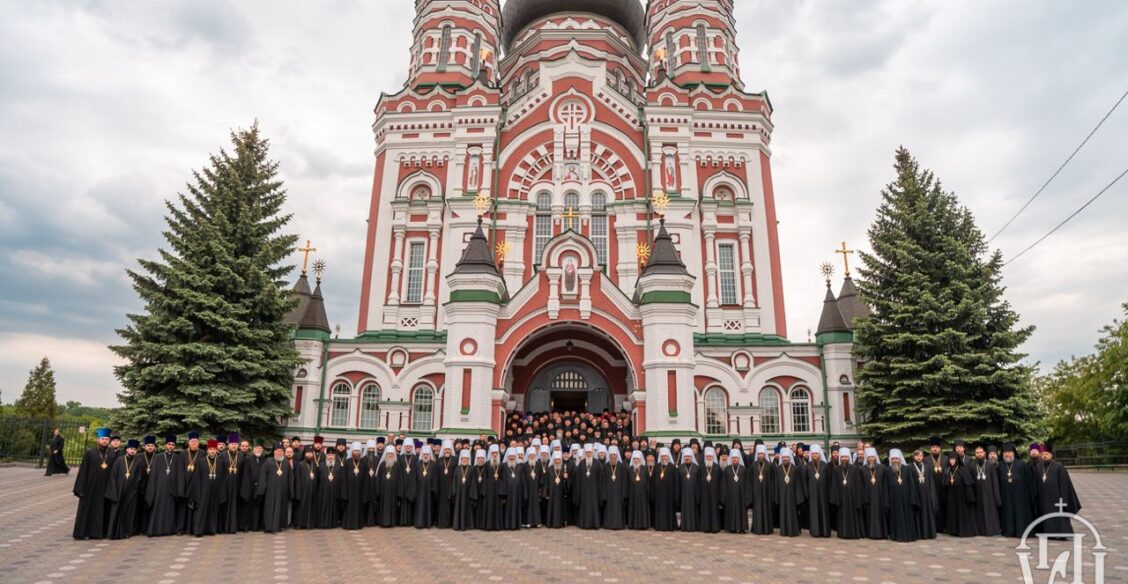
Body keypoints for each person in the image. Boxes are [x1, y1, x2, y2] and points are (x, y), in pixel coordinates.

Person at [73, 428, 115, 539]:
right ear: (98, 439)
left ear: (109, 440)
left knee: (104, 510)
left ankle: (102, 533)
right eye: (102, 439)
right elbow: (83, 470)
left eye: (106, 439)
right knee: (89, 510)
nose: (104, 441)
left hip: (106, 487)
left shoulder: (112, 453)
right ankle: (85, 533)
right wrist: (80, 488)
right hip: (91, 487)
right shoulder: (90, 453)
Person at [1034, 444, 1082, 535]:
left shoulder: (1058, 466)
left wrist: (1063, 498)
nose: (1044, 456)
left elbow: (1064, 484)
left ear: (1051, 455)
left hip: (1056, 497)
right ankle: (1047, 532)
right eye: (1043, 454)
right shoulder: (1038, 467)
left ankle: (1060, 533)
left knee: (1058, 516)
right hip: (1043, 497)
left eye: (1046, 454)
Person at [105, 439, 145, 539]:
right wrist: (114, 491)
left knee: (129, 513)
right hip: (119, 491)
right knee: (116, 512)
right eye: (131, 449)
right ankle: (113, 532)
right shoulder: (119, 461)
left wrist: (135, 490)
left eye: (134, 449)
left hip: (132, 492)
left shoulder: (139, 462)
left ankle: (127, 532)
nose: (132, 451)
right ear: (127, 449)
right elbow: (113, 476)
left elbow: (140, 478)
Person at [145, 435, 182, 537]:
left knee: (170, 510)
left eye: (173, 444)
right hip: (159, 489)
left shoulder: (177, 458)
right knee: (158, 510)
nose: (171, 446)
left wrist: (179, 489)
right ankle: (156, 530)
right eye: (169, 444)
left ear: (174, 446)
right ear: (165, 445)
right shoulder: (158, 457)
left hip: (172, 489)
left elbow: (180, 475)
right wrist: (152, 489)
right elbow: (153, 475)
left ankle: (169, 530)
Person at [997, 442, 1036, 538]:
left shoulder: (1022, 464)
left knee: (1020, 513)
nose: (1007, 454)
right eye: (1005, 452)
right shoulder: (999, 466)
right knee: (1008, 513)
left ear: (1013, 453)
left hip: (1021, 496)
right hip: (1005, 496)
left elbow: (1029, 481)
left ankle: (1021, 531)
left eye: (1009, 452)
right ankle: (1009, 531)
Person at [189, 439, 226, 536]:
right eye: (210, 449)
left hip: (215, 490)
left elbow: (223, 478)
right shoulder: (201, 461)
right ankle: (198, 531)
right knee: (201, 510)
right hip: (203, 491)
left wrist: (222, 492)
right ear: (207, 450)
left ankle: (211, 529)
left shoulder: (220, 462)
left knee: (213, 510)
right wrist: (197, 493)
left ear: (216, 450)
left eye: (214, 449)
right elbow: (196, 478)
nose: (212, 451)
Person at [830, 447, 866, 539]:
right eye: (842, 457)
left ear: (848, 457)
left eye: (846, 457)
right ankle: (843, 533)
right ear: (840, 458)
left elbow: (858, 485)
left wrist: (858, 499)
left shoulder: (854, 469)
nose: (844, 459)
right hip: (841, 499)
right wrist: (836, 499)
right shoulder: (837, 470)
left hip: (852, 498)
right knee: (842, 515)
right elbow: (834, 485)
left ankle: (853, 533)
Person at [257, 442, 294, 533]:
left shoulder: (286, 462)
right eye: (278, 451)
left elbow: (290, 478)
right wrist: (262, 490)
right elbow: (262, 476)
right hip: (270, 491)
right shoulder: (268, 461)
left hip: (283, 491)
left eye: (281, 451)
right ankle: (268, 527)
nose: (280, 453)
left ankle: (278, 526)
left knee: (281, 509)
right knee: (269, 509)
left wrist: (291, 491)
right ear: (274, 452)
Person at [885, 449, 918, 542]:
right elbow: (885, 487)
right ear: (890, 460)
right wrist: (886, 502)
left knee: (907, 517)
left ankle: (909, 536)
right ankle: (896, 536)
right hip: (893, 500)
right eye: (893, 459)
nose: (895, 460)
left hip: (906, 499)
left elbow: (912, 485)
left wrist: (913, 499)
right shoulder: (887, 470)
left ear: (900, 459)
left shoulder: (906, 469)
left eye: (896, 458)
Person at [942, 451, 977, 537]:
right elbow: (944, 483)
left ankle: (962, 531)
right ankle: (954, 530)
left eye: (953, 459)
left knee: (962, 513)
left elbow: (968, 484)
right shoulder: (947, 470)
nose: (952, 461)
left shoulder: (963, 469)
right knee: (953, 512)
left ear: (957, 460)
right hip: (951, 496)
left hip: (962, 496)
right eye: (950, 459)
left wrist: (969, 497)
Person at [970, 445, 1002, 536]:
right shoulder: (972, 466)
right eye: (977, 453)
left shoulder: (990, 465)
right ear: (975, 454)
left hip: (989, 494)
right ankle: (980, 531)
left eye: (981, 452)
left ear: (984, 453)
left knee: (990, 512)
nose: (979, 454)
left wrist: (996, 497)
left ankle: (991, 530)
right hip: (977, 494)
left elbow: (995, 481)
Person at [719, 445, 751, 533]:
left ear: (739, 459)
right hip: (730, 496)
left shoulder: (743, 469)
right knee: (731, 511)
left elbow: (747, 484)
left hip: (741, 496)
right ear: (731, 459)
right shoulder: (727, 469)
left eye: (736, 458)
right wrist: (723, 497)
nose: (734, 460)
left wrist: (747, 497)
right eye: (733, 458)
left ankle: (742, 527)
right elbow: (724, 484)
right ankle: (731, 527)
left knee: (741, 511)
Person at [774, 447, 805, 537]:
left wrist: (798, 497)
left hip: (792, 496)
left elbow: (798, 484)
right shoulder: (778, 469)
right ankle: (784, 531)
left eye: (787, 457)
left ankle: (794, 530)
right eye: (783, 457)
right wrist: (777, 497)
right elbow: (776, 484)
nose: (785, 459)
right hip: (782, 496)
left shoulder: (795, 469)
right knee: (783, 513)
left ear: (790, 458)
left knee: (793, 513)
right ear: (781, 458)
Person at [909, 449, 939, 539]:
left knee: (927, 513)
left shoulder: (927, 466)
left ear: (923, 457)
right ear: (913, 457)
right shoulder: (910, 467)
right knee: (918, 514)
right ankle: (919, 534)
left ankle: (928, 533)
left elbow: (931, 481)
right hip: (916, 494)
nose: (919, 457)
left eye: (920, 456)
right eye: (917, 456)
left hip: (927, 496)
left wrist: (932, 494)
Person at [805, 444, 833, 538]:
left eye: (817, 453)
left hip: (823, 494)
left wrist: (829, 494)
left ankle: (825, 531)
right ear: (811, 455)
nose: (815, 455)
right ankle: (815, 532)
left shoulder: (825, 465)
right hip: (812, 494)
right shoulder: (808, 466)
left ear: (820, 454)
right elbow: (805, 480)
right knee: (814, 512)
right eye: (813, 454)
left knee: (824, 512)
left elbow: (829, 480)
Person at [571, 444, 602, 529]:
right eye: (587, 452)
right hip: (583, 491)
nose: (588, 454)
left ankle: (595, 524)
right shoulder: (581, 463)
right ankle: (584, 524)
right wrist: (579, 491)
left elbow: (600, 479)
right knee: (584, 507)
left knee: (594, 507)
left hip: (594, 491)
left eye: (590, 452)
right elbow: (578, 479)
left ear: (592, 453)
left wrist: (599, 491)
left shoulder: (597, 463)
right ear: (585, 453)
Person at [861, 447, 887, 539]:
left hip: (880, 497)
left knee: (880, 515)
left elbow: (885, 484)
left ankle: (881, 533)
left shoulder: (882, 468)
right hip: (868, 498)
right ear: (866, 458)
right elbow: (861, 485)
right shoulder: (862, 469)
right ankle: (869, 533)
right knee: (869, 515)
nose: (871, 459)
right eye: (869, 457)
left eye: (872, 457)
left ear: (875, 457)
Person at [749, 443, 775, 535]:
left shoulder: (769, 465)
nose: (760, 455)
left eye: (762, 454)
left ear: (764, 454)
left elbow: (772, 480)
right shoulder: (753, 465)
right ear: (757, 455)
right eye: (759, 454)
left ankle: (767, 529)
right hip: (756, 492)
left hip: (766, 492)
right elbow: (750, 480)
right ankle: (757, 529)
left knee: (767, 510)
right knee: (757, 510)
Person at [499, 447, 526, 530]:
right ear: (507, 457)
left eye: (513, 456)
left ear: (516, 457)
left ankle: (516, 525)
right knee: (507, 509)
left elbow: (522, 480)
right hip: (507, 493)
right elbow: (501, 480)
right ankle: (507, 525)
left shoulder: (519, 467)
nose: (511, 458)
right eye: (510, 456)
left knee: (516, 508)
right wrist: (503, 494)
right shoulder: (504, 466)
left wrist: (524, 493)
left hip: (517, 492)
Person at [601, 446, 627, 530]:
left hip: (618, 494)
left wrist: (624, 494)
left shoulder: (621, 466)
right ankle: (608, 525)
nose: (612, 457)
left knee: (618, 509)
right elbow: (603, 482)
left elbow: (624, 481)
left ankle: (618, 525)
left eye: (614, 455)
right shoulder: (605, 466)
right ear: (609, 456)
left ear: (617, 456)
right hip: (608, 494)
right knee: (609, 509)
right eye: (611, 455)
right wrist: (604, 494)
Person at [651, 447, 677, 531]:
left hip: (669, 494)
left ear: (668, 457)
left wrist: (675, 495)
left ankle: (669, 526)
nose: (664, 458)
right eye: (662, 456)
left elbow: (676, 482)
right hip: (658, 495)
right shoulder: (656, 467)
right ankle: (659, 526)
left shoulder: (672, 467)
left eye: (665, 456)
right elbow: (653, 481)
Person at [293, 447, 319, 529]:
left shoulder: (315, 465)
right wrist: (298, 492)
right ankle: (299, 524)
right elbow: (297, 479)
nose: (309, 455)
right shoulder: (300, 465)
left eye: (311, 453)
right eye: (307, 453)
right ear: (304, 454)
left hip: (312, 491)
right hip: (302, 491)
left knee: (311, 507)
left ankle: (309, 524)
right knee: (301, 508)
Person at [697, 447, 721, 534]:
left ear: (713, 457)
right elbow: (698, 482)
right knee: (705, 510)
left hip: (714, 494)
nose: (709, 458)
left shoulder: (717, 468)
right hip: (704, 494)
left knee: (714, 511)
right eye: (707, 456)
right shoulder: (701, 468)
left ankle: (715, 527)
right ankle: (705, 527)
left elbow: (720, 482)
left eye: (710, 456)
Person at [414, 445, 439, 528]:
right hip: (419, 489)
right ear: (422, 455)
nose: (425, 456)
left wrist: (434, 489)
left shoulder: (434, 464)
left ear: (430, 455)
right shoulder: (418, 464)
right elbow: (415, 477)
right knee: (419, 506)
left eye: (427, 454)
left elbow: (435, 477)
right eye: (424, 454)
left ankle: (428, 523)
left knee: (429, 506)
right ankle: (419, 523)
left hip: (429, 490)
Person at [542, 450, 568, 528]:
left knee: (560, 507)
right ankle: (551, 523)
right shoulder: (549, 469)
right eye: (556, 460)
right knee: (551, 507)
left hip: (560, 493)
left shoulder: (563, 469)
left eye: (559, 460)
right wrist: (546, 493)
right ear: (553, 460)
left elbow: (566, 484)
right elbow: (546, 482)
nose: (557, 461)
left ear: (560, 460)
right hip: (552, 493)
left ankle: (560, 523)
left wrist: (566, 478)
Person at [676, 449, 701, 532]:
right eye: (686, 456)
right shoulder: (680, 468)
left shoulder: (697, 468)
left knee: (694, 509)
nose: (687, 458)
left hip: (694, 493)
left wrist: (698, 494)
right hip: (683, 493)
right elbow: (678, 482)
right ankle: (684, 526)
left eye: (689, 456)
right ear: (683, 457)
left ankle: (694, 526)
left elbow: (699, 482)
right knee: (685, 509)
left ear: (692, 457)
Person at [451, 449, 475, 531]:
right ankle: (457, 525)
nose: (464, 460)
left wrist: (472, 493)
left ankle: (467, 525)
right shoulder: (457, 468)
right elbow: (454, 481)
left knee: (467, 508)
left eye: (466, 458)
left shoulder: (471, 469)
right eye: (463, 458)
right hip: (458, 494)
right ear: (461, 459)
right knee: (458, 508)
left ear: (468, 459)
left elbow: (473, 482)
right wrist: (454, 491)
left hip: (468, 493)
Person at [316, 450, 341, 529]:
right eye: (329, 455)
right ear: (326, 456)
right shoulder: (321, 465)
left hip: (335, 490)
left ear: (334, 456)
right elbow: (317, 479)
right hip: (323, 491)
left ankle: (333, 523)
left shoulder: (338, 466)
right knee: (323, 506)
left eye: (332, 455)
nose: (330, 457)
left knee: (333, 506)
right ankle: (323, 523)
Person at [435, 440, 457, 528]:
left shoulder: (455, 460)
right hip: (441, 486)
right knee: (440, 505)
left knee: (450, 504)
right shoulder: (439, 460)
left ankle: (449, 523)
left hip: (451, 486)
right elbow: (436, 474)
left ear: (451, 450)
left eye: (448, 449)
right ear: (443, 450)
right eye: (445, 449)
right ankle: (440, 522)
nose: (447, 451)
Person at [626, 450, 650, 530]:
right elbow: (627, 482)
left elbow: (647, 482)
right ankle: (632, 524)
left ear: (640, 459)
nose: (636, 460)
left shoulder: (645, 469)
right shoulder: (629, 469)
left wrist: (647, 492)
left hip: (643, 494)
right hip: (632, 494)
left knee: (643, 509)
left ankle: (643, 524)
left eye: (637, 459)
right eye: (634, 459)